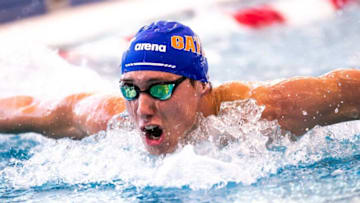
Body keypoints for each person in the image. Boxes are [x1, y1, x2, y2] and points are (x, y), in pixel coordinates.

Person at [0, 21, 359, 155]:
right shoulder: (106, 118)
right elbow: (28, 109)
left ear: (201, 86)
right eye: (130, 89)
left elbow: (346, 88)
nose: (142, 108)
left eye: (158, 89)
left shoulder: (265, 109)